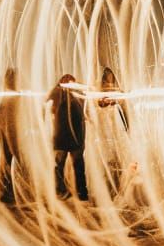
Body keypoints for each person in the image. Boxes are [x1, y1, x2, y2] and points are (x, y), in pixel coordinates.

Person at [47, 73, 88, 201]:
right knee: (61, 165)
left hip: (72, 137)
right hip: (64, 137)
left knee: (76, 165)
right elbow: (48, 103)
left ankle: (80, 192)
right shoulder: (59, 94)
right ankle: (62, 191)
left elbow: (84, 112)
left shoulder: (76, 96)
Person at [96, 65, 130, 196]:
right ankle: (110, 190)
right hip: (106, 131)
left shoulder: (116, 92)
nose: (109, 81)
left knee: (119, 160)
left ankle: (118, 188)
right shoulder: (101, 93)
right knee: (109, 162)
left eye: (111, 78)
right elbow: (99, 106)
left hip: (117, 129)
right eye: (107, 78)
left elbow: (123, 108)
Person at [0, 67, 21, 203]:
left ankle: (5, 192)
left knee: (8, 163)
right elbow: (4, 118)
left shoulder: (10, 96)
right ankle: (5, 193)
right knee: (8, 163)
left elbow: (2, 118)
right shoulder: (11, 97)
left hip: (10, 135)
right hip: (10, 136)